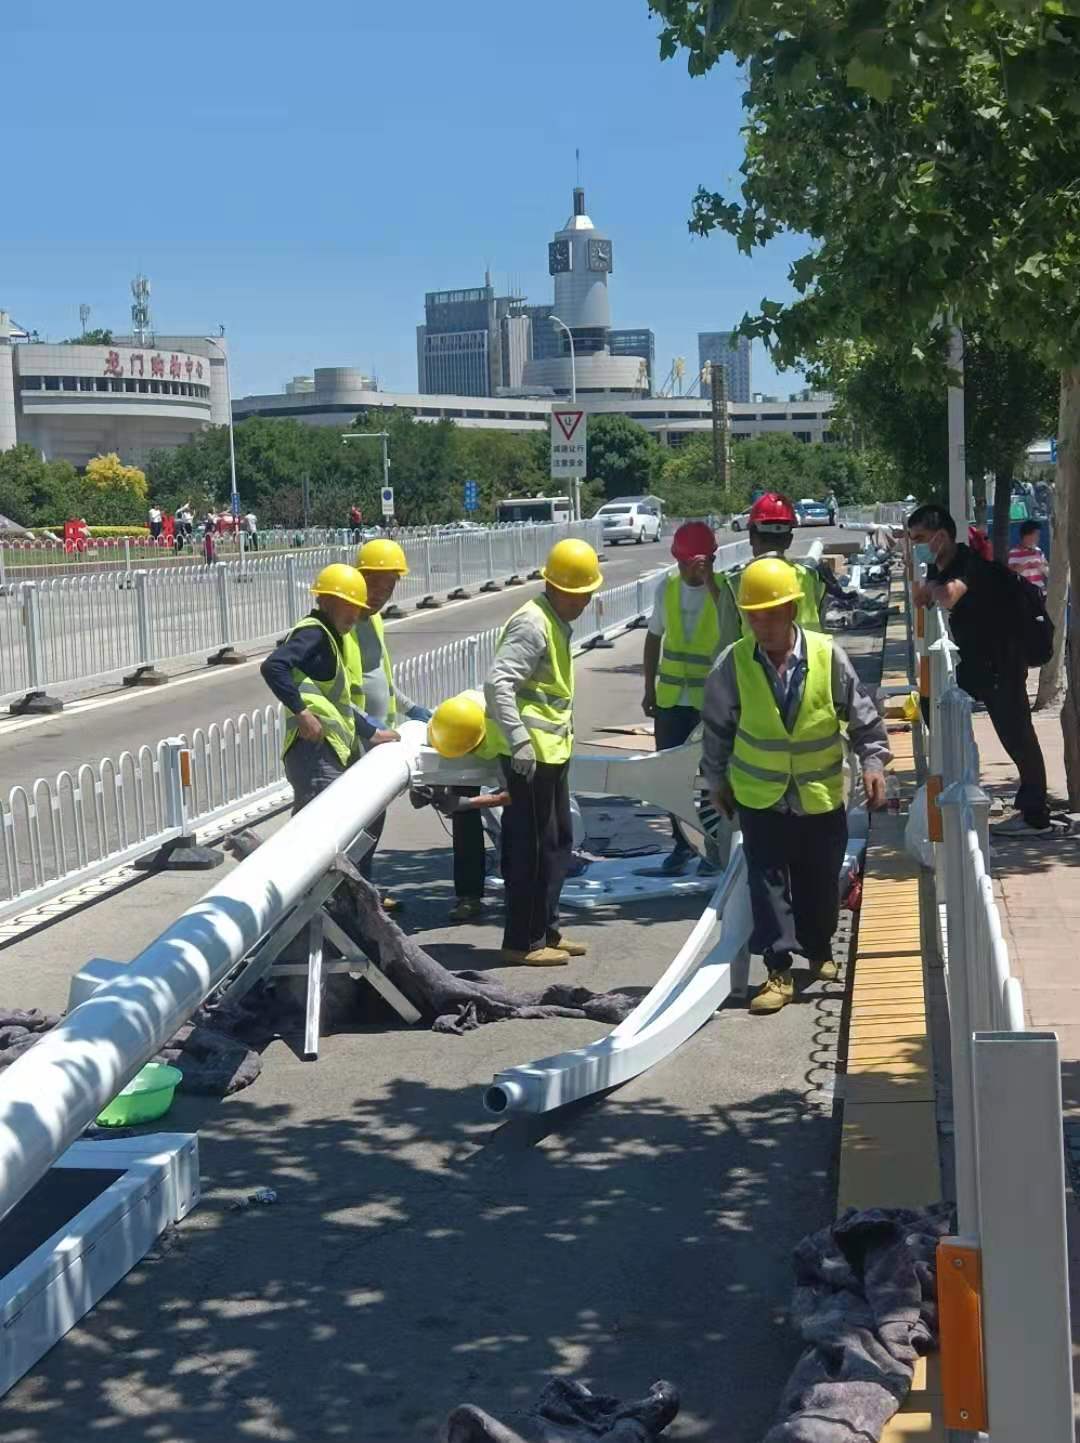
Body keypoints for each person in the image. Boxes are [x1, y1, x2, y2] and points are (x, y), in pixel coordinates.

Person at [702, 556, 890, 1015]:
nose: (762, 625)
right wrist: (715, 779)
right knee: (766, 883)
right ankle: (778, 967)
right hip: (759, 795)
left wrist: (874, 763)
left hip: (819, 794)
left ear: (791, 609)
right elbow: (717, 729)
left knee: (820, 883)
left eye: (770, 614)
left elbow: (864, 718)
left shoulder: (827, 655)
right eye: (753, 616)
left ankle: (819, 948)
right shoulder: (734, 664)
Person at [907, 502, 1061, 836]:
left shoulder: (967, 563)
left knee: (1017, 736)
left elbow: (948, 596)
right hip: (977, 663)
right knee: (933, 703)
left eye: (919, 538)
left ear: (940, 537)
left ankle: (1035, 815)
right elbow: (924, 598)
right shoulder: (939, 566)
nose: (916, 545)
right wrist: (928, 588)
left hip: (1001, 661)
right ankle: (955, 777)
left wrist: (932, 589)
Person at [483, 537, 602, 966]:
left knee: (557, 844)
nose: (585, 602)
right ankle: (523, 941)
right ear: (556, 587)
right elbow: (498, 683)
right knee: (530, 848)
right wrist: (518, 739)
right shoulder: (532, 624)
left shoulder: (554, 620)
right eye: (579, 593)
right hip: (528, 757)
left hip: (550, 753)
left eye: (588, 593)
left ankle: (547, 929)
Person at [643, 519, 740, 875]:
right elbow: (654, 637)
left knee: (712, 776)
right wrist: (648, 687)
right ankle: (682, 844)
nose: (692, 570)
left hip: (709, 703)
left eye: (700, 562)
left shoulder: (725, 589)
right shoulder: (667, 588)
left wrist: (711, 580)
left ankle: (713, 846)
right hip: (671, 699)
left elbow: (732, 624)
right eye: (686, 563)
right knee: (672, 776)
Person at [260, 563, 392, 812]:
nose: (355, 615)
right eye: (349, 606)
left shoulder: (330, 637)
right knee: (321, 824)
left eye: (358, 608)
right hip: (314, 750)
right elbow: (273, 666)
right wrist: (302, 713)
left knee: (334, 822)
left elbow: (336, 703)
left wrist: (371, 732)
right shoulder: (314, 632)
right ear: (328, 601)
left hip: (326, 749)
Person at [351, 538, 434, 905]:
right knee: (352, 822)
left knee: (374, 819)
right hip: (352, 738)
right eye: (377, 586)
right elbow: (336, 691)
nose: (381, 596)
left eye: (389, 588)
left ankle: (365, 889)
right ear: (361, 577)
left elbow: (381, 677)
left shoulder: (373, 620)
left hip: (376, 740)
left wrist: (411, 708)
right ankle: (353, 895)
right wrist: (366, 726)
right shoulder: (344, 620)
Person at [425, 690, 512, 922]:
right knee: (464, 825)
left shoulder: (504, 732)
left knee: (516, 823)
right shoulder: (441, 726)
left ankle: (517, 892)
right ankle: (468, 896)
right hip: (468, 739)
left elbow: (515, 794)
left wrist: (467, 803)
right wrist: (434, 790)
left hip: (497, 748)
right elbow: (435, 764)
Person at [727, 493, 831, 631]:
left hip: (755, 647)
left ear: (752, 537)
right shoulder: (810, 577)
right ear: (789, 540)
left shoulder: (735, 583)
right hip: (810, 646)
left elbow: (728, 638)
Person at [1008, 519, 1049, 593]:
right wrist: (1026, 565)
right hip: (1023, 593)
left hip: (1040, 593)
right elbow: (1011, 575)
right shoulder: (1013, 553)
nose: (1038, 538)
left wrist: (1040, 566)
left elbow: (1048, 573)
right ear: (1027, 536)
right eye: (1036, 535)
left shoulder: (1039, 551)